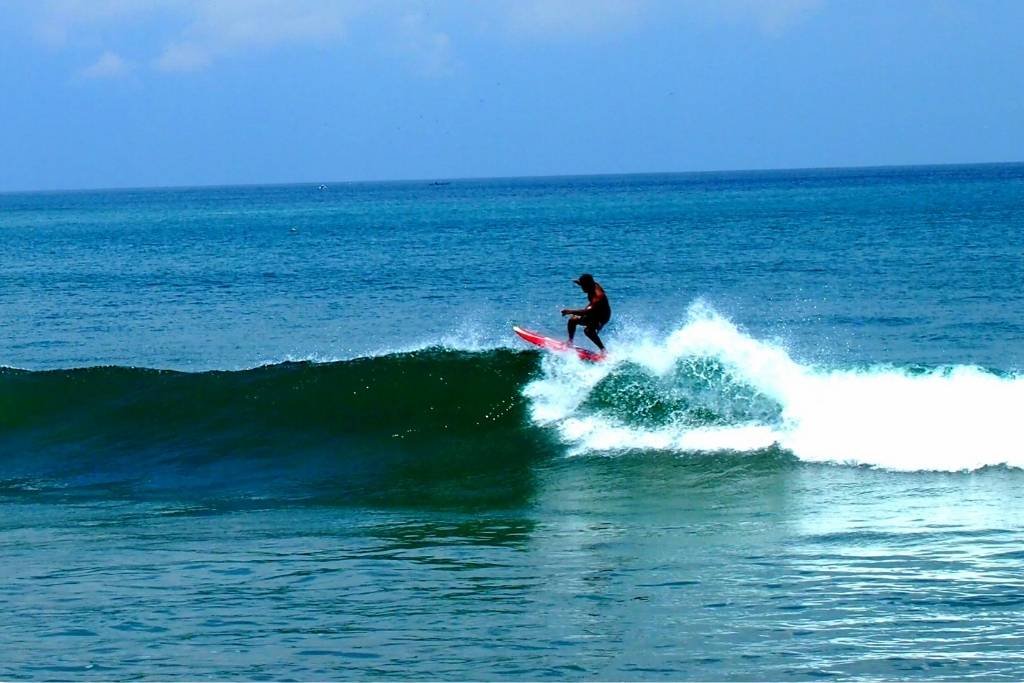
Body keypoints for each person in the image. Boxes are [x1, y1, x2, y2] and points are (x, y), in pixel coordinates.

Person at [561, 273, 611, 351]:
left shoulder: (598, 297)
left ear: (589, 285)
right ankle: (570, 342)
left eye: (583, 286)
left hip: (602, 317)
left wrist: (569, 311)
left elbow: (586, 312)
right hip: (594, 312)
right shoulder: (591, 285)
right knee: (572, 320)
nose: (582, 288)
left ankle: (603, 350)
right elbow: (585, 282)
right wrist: (578, 282)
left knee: (588, 331)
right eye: (582, 285)